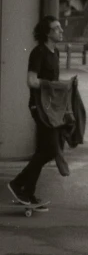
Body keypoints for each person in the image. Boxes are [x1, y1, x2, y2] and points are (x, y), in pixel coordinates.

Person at [7, 15, 64, 210]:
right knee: (49, 149)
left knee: (44, 150)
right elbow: (31, 81)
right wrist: (52, 85)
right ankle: (17, 184)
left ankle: (27, 193)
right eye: (57, 28)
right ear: (47, 33)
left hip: (50, 107)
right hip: (38, 106)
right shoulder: (38, 53)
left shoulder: (55, 53)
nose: (61, 31)